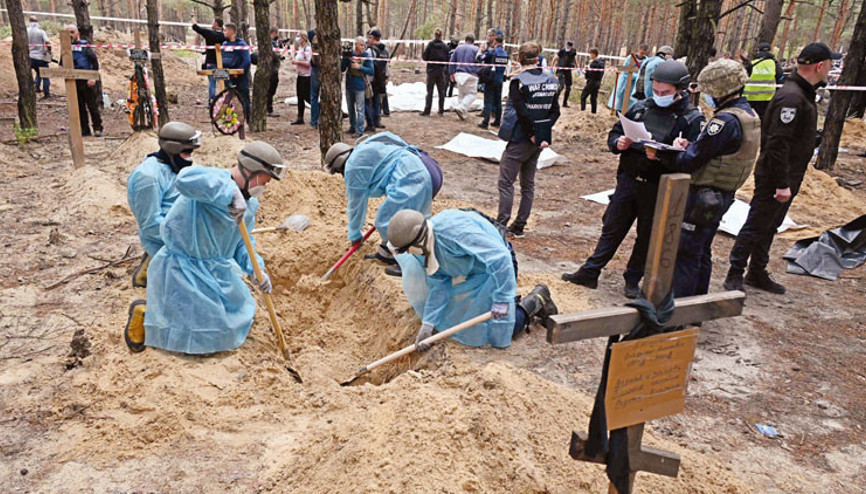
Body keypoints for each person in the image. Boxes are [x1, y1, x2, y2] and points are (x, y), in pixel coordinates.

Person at [123, 142, 286, 354]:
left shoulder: (249, 205)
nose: (265, 186)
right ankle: (146, 315)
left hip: (215, 271)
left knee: (233, 321)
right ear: (251, 171)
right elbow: (185, 179)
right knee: (200, 332)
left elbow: (242, 243)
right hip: (182, 269)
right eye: (265, 180)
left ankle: (160, 314)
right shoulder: (212, 181)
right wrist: (229, 192)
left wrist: (256, 270)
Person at [563, 60, 704, 298]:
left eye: (665, 93)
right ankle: (590, 271)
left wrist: (669, 153)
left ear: (679, 90)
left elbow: (693, 159)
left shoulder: (690, 119)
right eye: (656, 90)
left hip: (658, 187)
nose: (659, 96)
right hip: (629, 180)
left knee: (646, 236)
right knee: (612, 227)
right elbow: (616, 131)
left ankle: (632, 278)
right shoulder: (641, 107)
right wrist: (617, 142)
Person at [724, 43, 840, 294]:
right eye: (829, 65)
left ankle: (756, 271)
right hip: (776, 175)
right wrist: (781, 183)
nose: (830, 70)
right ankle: (735, 272)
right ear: (820, 66)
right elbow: (777, 143)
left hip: (788, 173)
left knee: (770, 225)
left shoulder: (802, 94)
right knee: (757, 224)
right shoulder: (792, 97)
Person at [645, 59, 760, 298]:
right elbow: (714, 151)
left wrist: (663, 154)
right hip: (721, 195)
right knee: (701, 250)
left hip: (704, 196)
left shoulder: (724, 121)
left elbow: (691, 161)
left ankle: (680, 308)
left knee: (686, 252)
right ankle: (697, 302)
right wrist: (691, 145)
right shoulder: (748, 115)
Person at [387, 209, 558, 350]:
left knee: (498, 330)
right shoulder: (425, 249)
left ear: (417, 241)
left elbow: (500, 258)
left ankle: (536, 300)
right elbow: (439, 286)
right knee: (461, 320)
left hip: (499, 266)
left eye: (407, 249)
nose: (407, 253)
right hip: (477, 272)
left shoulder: (453, 233)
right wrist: (428, 324)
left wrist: (502, 300)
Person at [323, 132, 441, 276]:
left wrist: (354, 234)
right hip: (426, 166)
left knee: (386, 222)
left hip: (414, 176)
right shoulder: (366, 147)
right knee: (405, 217)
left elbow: (356, 205)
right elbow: (391, 137)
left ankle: (410, 262)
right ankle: (386, 253)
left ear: (339, 165)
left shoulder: (352, 166)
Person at [127, 122, 203, 288]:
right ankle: (152, 267)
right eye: (187, 152)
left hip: (180, 229)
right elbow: (150, 224)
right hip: (165, 236)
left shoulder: (173, 166)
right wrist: (186, 238)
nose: (190, 157)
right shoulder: (148, 177)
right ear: (173, 149)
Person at [496, 42, 560, 238]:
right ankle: (519, 225)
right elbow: (555, 111)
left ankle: (501, 225)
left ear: (518, 59)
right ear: (538, 58)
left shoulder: (518, 82)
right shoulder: (551, 80)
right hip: (538, 141)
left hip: (520, 138)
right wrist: (541, 133)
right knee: (528, 184)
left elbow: (522, 113)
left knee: (506, 183)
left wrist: (532, 133)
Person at [63, 25, 103, 137]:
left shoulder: (85, 45)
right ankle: (84, 129)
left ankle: (97, 128)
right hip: (73, 82)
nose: (70, 35)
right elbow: (62, 63)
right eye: (68, 33)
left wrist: (92, 77)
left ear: (78, 33)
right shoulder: (66, 47)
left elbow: (94, 62)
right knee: (79, 107)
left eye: (72, 32)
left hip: (87, 81)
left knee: (92, 106)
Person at [341, 36, 374, 137]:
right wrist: (345, 58)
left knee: (360, 109)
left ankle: (359, 130)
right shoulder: (350, 54)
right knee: (350, 108)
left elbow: (371, 71)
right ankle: (352, 126)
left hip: (360, 85)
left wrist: (359, 67)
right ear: (356, 45)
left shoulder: (366, 56)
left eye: (364, 45)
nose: (363, 47)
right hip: (349, 84)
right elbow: (342, 68)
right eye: (361, 45)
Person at [743, 41, 785, 119]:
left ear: (758, 51)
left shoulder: (752, 64)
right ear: (769, 51)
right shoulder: (775, 64)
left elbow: (744, 80)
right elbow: (781, 80)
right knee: (764, 120)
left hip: (750, 98)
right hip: (767, 99)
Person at [221, 23, 252, 122]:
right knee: (228, 98)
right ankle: (231, 120)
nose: (223, 32)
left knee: (243, 98)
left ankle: (248, 120)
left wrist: (238, 71)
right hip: (227, 76)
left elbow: (247, 60)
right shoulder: (224, 44)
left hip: (241, 78)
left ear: (231, 32)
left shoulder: (241, 45)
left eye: (225, 30)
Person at [191, 18, 226, 103]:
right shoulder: (224, 36)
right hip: (222, 63)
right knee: (223, 82)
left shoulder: (209, 33)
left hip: (211, 62)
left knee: (212, 82)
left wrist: (193, 19)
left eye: (213, 22)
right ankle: (225, 100)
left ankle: (212, 101)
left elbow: (196, 28)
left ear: (216, 24)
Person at [478, 34, 508, 129]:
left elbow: (480, 58)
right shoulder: (505, 53)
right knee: (498, 101)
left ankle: (485, 122)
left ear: (495, 42)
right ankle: (497, 121)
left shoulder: (492, 52)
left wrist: (481, 51)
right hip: (500, 79)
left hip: (491, 79)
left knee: (488, 100)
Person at [449, 33, 480, 120]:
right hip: (471, 74)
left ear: (465, 40)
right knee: (472, 95)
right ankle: (461, 108)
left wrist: (451, 73)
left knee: (461, 94)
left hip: (459, 73)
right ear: (473, 41)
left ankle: (462, 114)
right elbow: (480, 62)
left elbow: (452, 61)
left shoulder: (458, 48)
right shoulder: (476, 49)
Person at [421, 28, 451, 116]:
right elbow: (448, 59)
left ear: (435, 34)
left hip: (431, 70)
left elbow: (424, 57)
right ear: (442, 35)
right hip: (441, 71)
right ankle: (441, 110)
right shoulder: (445, 46)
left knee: (429, 91)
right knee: (441, 92)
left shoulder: (430, 45)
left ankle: (427, 111)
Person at [608, 45, 647, 112]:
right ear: (639, 50)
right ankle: (618, 111)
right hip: (625, 82)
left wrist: (638, 77)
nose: (642, 54)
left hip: (636, 84)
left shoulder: (646, 60)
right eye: (641, 52)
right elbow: (625, 69)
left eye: (644, 52)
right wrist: (633, 76)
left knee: (632, 101)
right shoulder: (630, 58)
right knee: (621, 99)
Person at [365, 28, 389, 131]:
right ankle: (377, 120)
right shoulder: (385, 50)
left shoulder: (370, 51)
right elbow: (386, 65)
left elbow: (368, 65)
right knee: (377, 101)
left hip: (372, 79)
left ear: (372, 37)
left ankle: (372, 123)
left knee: (370, 101)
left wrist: (367, 80)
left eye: (369, 37)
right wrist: (387, 76)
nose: (368, 39)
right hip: (381, 79)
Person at [291, 32, 313, 124]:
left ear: (304, 38)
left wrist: (297, 62)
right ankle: (300, 118)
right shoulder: (301, 49)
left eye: (299, 37)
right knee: (300, 97)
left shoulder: (308, 49)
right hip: (300, 76)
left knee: (307, 97)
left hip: (306, 77)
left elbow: (309, 63)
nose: (298, 39)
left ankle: (320, 110)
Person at [27, 16, 51, 99]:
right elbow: (47, 42)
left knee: (38, 72)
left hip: (29, 57)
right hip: (40, 57)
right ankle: (47, 94)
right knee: (45, 75)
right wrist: (49, 52)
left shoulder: (26, 31)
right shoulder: (41, 32)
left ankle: (36, 87)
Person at [266, 28, 286, 118]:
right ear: (274, 33)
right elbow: (275, 55)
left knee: (269, 90)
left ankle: (267, 108)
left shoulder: (267, 42)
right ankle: (269, 110)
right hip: (272, 69)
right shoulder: (271, 43)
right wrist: (281, 53)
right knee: (270, 90)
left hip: (270, 69)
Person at [552, 41, 577, 107]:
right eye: (567, 46)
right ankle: (555, 100)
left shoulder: (573, 52)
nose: (568, 47)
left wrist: (577, 66)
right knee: (561, 86)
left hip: (568, 71)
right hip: (561, 70)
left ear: (571, 47)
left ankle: (565, 103)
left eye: (570, 46)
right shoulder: (562, 51)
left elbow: (574, 58)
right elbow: (555, 58)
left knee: (568, 88)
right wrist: (552, 66)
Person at [580, 47, 605, 113]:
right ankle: (593, 112)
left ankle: (583, 111)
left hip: (592, 81)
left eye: (590, 54)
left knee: (583, 96)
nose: (590, 55)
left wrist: (586, 71)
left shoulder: (594, 63)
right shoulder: (601, 62)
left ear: (594, 54)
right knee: (593, 98)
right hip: (598, 82)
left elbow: (591, 74)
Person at [309, 30, 321, 128]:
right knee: (314, 97)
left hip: (319, 71)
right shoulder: (315, 45)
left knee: (316, 97)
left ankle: (316, 120)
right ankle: (314, 120)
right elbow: (314, 60)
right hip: (316, 70)